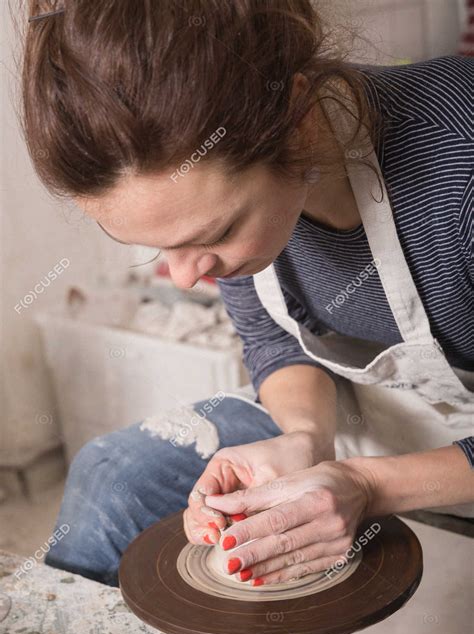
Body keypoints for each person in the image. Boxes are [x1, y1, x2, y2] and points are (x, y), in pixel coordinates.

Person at [20, 1, 473, 588]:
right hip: (369, 418)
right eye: (158, 248)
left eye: (215, 235)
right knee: (117, 475)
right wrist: (304, 440)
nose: (186, 277)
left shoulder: (459, 164)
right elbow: (274, 343)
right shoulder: (240, 198)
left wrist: (369, 484)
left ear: (301, 124)